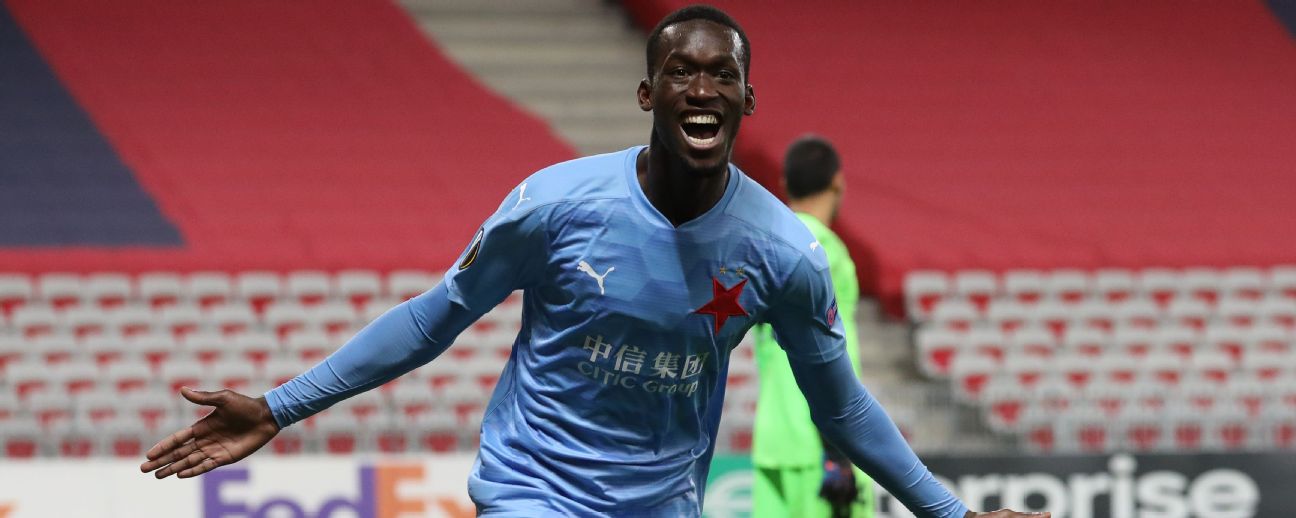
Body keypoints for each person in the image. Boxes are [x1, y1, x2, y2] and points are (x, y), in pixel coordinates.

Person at [140, 5, 1047, 518]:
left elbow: (839, 401)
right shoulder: (556, 206)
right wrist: (280, 406)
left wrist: (953, 517)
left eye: (721, 75)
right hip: (535, 490)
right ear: (649, 92)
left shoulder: (783, 253)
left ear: (746, 98)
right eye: (684, 73)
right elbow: (434, 319)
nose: (703, 89)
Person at [751, 136, 872, 518]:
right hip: (819, 444)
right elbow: (829, 349)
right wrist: (838, 449)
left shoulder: (764, 243)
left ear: (785, 185)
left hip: (773, 439)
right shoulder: (826, 252)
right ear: (838, 181)